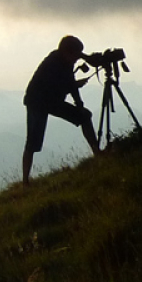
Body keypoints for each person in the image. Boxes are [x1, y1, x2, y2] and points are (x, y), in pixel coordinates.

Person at [22, 35, 97, 186]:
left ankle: (97, 152)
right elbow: (64, 85)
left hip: (48, 100)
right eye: (75, 55)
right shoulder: (54, 65)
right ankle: (25, 181)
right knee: (32, 143)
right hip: (38, 102)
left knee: (84, 116)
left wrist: (79, 102)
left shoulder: (64, 58)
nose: (77, 59)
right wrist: (77, 88)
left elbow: (69, 81)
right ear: (67, 52)